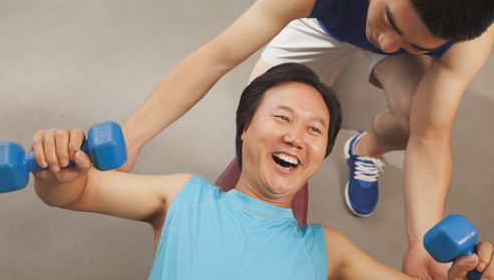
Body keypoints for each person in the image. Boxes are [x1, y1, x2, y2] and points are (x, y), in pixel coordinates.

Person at [41, 0, 494, 277]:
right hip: (327, 19)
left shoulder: (462, 36)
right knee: (269, 109)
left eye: (410, 42)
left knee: (411, 119)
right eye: (388, 22)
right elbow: (217, 58)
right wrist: (135, 134)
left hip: (405, 24)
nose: (384, 41)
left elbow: (430, 136)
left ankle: (365, 150)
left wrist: (420, 241)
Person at [31, 63, 494, 280]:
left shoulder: (330, 250)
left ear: (318, 155)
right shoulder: (180, 197)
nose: (297, 135)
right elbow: (74, 192)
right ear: (245, 130)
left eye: (315, 129)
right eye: (282, 118)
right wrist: (59, 172)